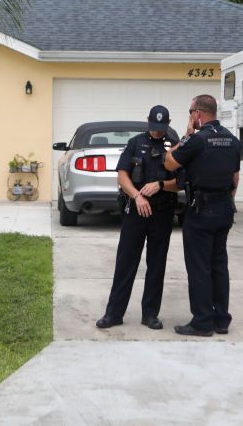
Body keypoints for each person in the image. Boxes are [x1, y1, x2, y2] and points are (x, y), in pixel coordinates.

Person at [96, 105, 181, 331]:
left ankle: (150, 314)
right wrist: (136, 196)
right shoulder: (135, 143)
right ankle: (113, 313)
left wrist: (161, 185)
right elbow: (122, 175)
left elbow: (181, 182)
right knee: (125, 262)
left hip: (162, 212)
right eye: (154, 127)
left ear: (168, 124)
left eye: (161, 128)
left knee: (156, 264)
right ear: (148, 122)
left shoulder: (174, 146)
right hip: (136, 212)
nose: (157, 132)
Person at [164, 94, 241, 337]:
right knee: (219, 264)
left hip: (201, 209)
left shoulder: (198, 140)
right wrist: (227, 201)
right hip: (224, 208)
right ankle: (221, 319)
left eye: (190, 112)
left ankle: (202, 321)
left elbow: (169, 163)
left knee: (199, 267)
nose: (190, 116)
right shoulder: (232, 140)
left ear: (198, 114)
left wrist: (187, 134)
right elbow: (235, 178)